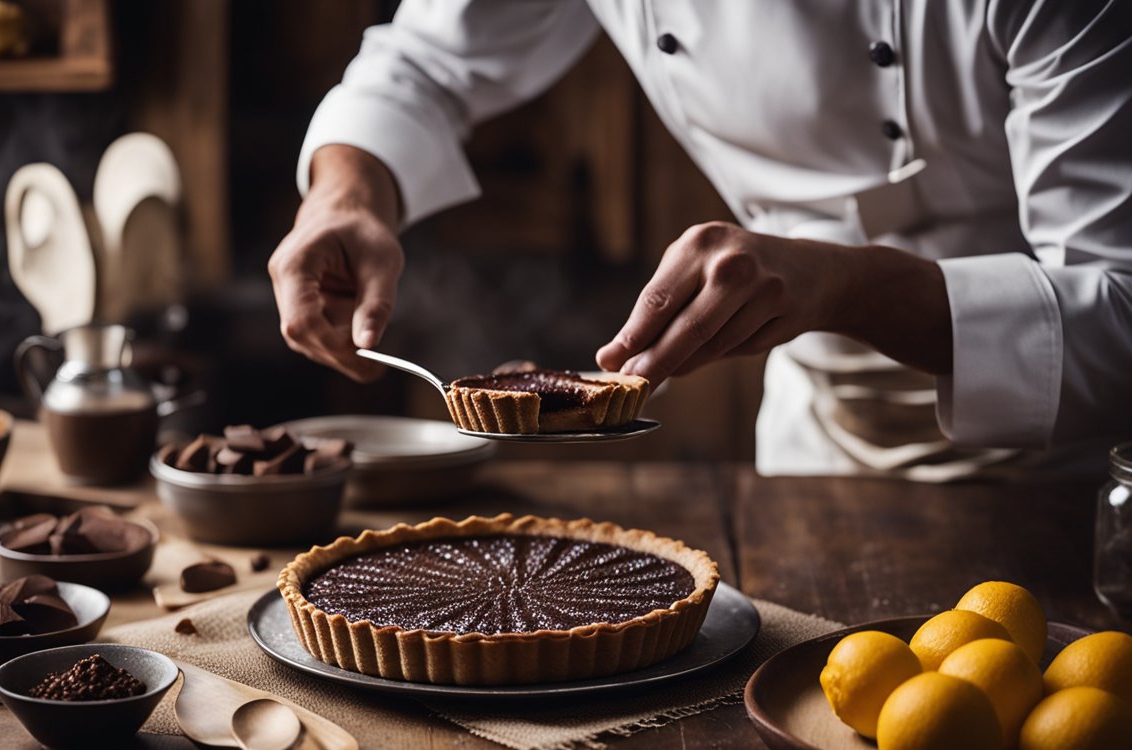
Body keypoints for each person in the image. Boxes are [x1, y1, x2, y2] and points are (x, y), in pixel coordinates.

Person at [268, 0, 1132, 481]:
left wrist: (842, 287)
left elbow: (1118, 313)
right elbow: (422, 62)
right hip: (811, 441)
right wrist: (347, 193)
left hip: (1060, 468)